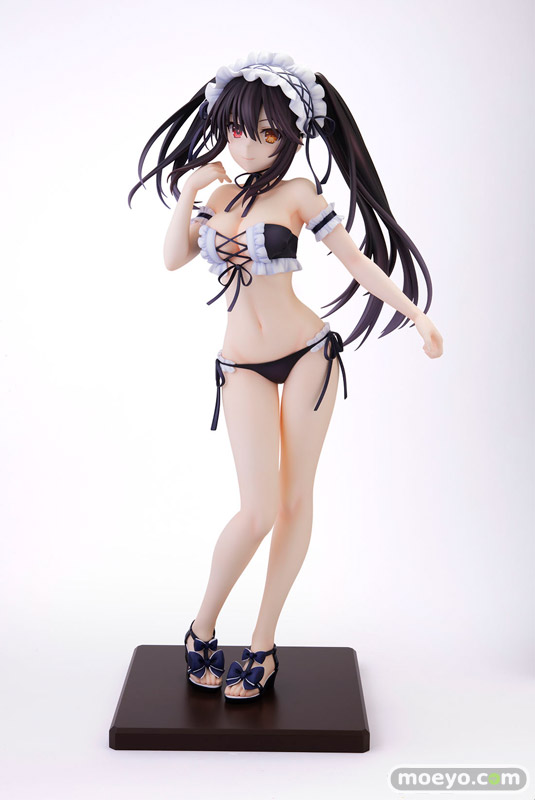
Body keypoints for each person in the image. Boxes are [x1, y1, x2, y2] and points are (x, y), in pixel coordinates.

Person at [128, 51, 443, 704]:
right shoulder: (216, 196)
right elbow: (172, 259)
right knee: (256, 510)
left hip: (307, 354)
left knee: (295, 500)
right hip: (239, 363)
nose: (247, 145)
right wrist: (187, 192)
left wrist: (415, 314)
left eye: (267, 132)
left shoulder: (299, 194)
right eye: (237, 129)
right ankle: (201, 628)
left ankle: (263, 644)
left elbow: (357, 263)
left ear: (293, 135)